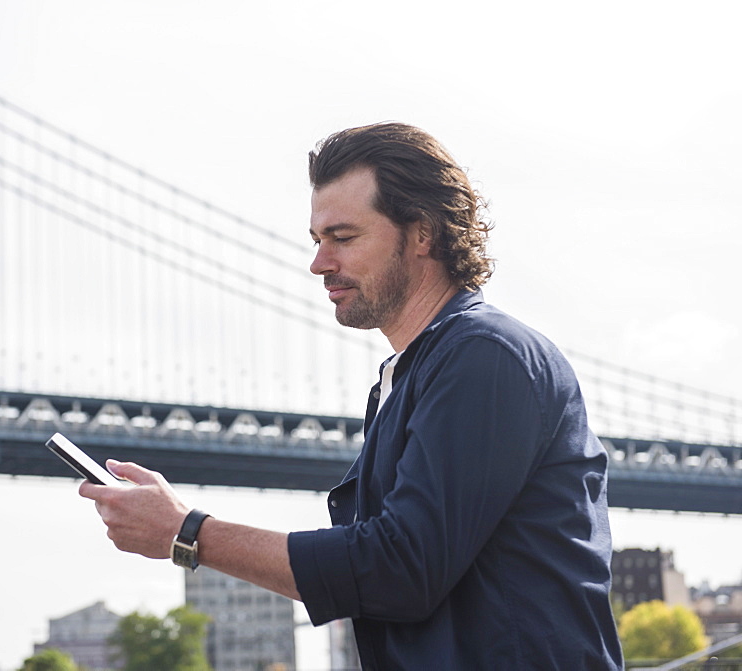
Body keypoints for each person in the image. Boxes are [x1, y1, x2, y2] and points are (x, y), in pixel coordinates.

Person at [79, 122, 624, 670]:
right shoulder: (410, 375)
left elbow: (401, 569)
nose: (319, 264)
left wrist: (188, 531)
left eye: (343, 238)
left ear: (422, 234)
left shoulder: (487, 356)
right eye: (317, 241)